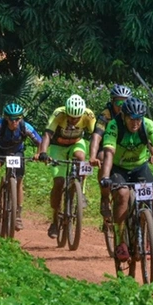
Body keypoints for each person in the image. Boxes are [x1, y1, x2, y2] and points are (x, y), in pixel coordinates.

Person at [97, 97, 153, 261]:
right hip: (118, 168)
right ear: (124, 116)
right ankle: (121, 241)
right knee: (122, 194)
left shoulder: (148, 125)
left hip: (139, 167)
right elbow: (108, 154)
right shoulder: (114, 126)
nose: (135, 123)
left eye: (139, 119)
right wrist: (106, 176)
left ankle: (148, 233)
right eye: (131, 119)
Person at [36, 94, 96, 238]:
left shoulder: (88, 115)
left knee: (81, 157)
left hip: (76, 143)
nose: (74, 120)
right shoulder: (58, 114)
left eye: (77, 118)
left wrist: (98, 155)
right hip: (59, 147)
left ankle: (80, 190)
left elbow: (96, 136)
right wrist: (43, 152)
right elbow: (47, 135)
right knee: (59, 182)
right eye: (71, 117)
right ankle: (55, 219)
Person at [0, 103, 43, 231]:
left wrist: (39, 153)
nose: (14, 122)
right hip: (0, 150)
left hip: (16, 152)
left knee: (19, 181)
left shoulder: (26, 127)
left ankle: (18, 214)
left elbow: (39, 141)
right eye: (11, 119)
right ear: (6, 118)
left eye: (18, 119)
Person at [89, 85, 134, 232]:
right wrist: (92, 156)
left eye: (125, 103)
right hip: (107, 146)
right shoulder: (106, 115)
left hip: (127, 149)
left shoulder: (133, 114)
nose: (121, 107)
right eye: (118, 103)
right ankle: (104, 195)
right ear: (112, 102)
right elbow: (96, 136)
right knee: (103, 158)